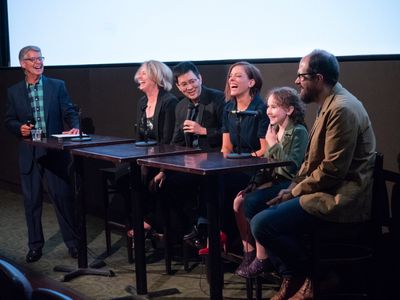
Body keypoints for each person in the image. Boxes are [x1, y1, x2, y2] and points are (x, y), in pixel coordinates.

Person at [245, 49, 376, 300]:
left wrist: (293, 191)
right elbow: (311, 163)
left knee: (262, 223)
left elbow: (332, 171)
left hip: (339, 196)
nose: (296, 81)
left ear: (317, 78)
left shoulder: (342, 109)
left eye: (301, 76)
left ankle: (312, 275)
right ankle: (292, 276)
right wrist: (292, 187)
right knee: (252, 203)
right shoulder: (328, 103)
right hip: (324, 187)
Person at [4, 45, 80, 263]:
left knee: (63, 198)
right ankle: (35, 246)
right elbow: (9, 120)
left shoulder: (57, 86)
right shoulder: (14, 91)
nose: (38, 62)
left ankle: (73, 244)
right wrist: (19, 128)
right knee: (32, 202)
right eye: (33, 59)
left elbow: (69, 111)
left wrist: (74, 127)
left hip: (54, 151)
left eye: (40, 58)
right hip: (29, 152)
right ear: (23, 64)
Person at [233, 87, 308, 278]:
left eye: (274, 107)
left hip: (291, 184)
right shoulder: (273, 129)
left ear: (289, 110)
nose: (268, 111)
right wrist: (255, 184)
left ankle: (262, 257)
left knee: (253, 202)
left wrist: (273, 144)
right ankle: (250, 254)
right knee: (240, 200)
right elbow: (267, 165)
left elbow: (292, 168)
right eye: (268, 106)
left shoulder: (298, 131)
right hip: (274, 181)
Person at [155, 61, 225, 242]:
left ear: (200, 78)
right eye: (184, 84)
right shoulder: (180, 107)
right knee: (165, 184)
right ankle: (187, 229)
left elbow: (229, 134)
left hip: (214, 162)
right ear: (178, 86)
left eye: (193, 81)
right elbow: (176, 141)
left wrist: (204, 131)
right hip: (190, 163)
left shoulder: (218, 99)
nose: (190, 87)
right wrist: (164, 168)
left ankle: (203, 227)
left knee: (204, 184)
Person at [125, 60, 178, 237]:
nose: (138, 78)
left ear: (156, 77)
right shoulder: (142, 101)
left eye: (143, 74)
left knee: (147, 180)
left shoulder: (169, 101)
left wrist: (160, 167)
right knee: (123, 176)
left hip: (163, 158)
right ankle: (141, 219)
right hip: (145, 157)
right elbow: (139, 136)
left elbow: (168, 139)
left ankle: (150, 221)